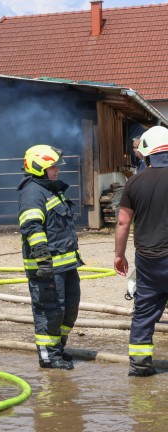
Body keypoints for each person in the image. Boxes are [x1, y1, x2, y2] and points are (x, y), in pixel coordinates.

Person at [17, 144, 83, 370]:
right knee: (50, 311)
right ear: (40, 167)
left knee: (69, 309)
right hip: (47, 267)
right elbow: (32, 227)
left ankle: (58, 348)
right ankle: (48, 356)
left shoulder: (50, 189)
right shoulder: (33, 192)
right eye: (53, 166)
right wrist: (43, 259)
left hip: (65, 265)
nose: (57, 170)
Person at [114, 125, 168, 377]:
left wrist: (119, 254)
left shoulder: (134, 182)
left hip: (148, 258)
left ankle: (140, 365)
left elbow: (123, 222)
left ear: (147, 153)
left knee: (145, 311)